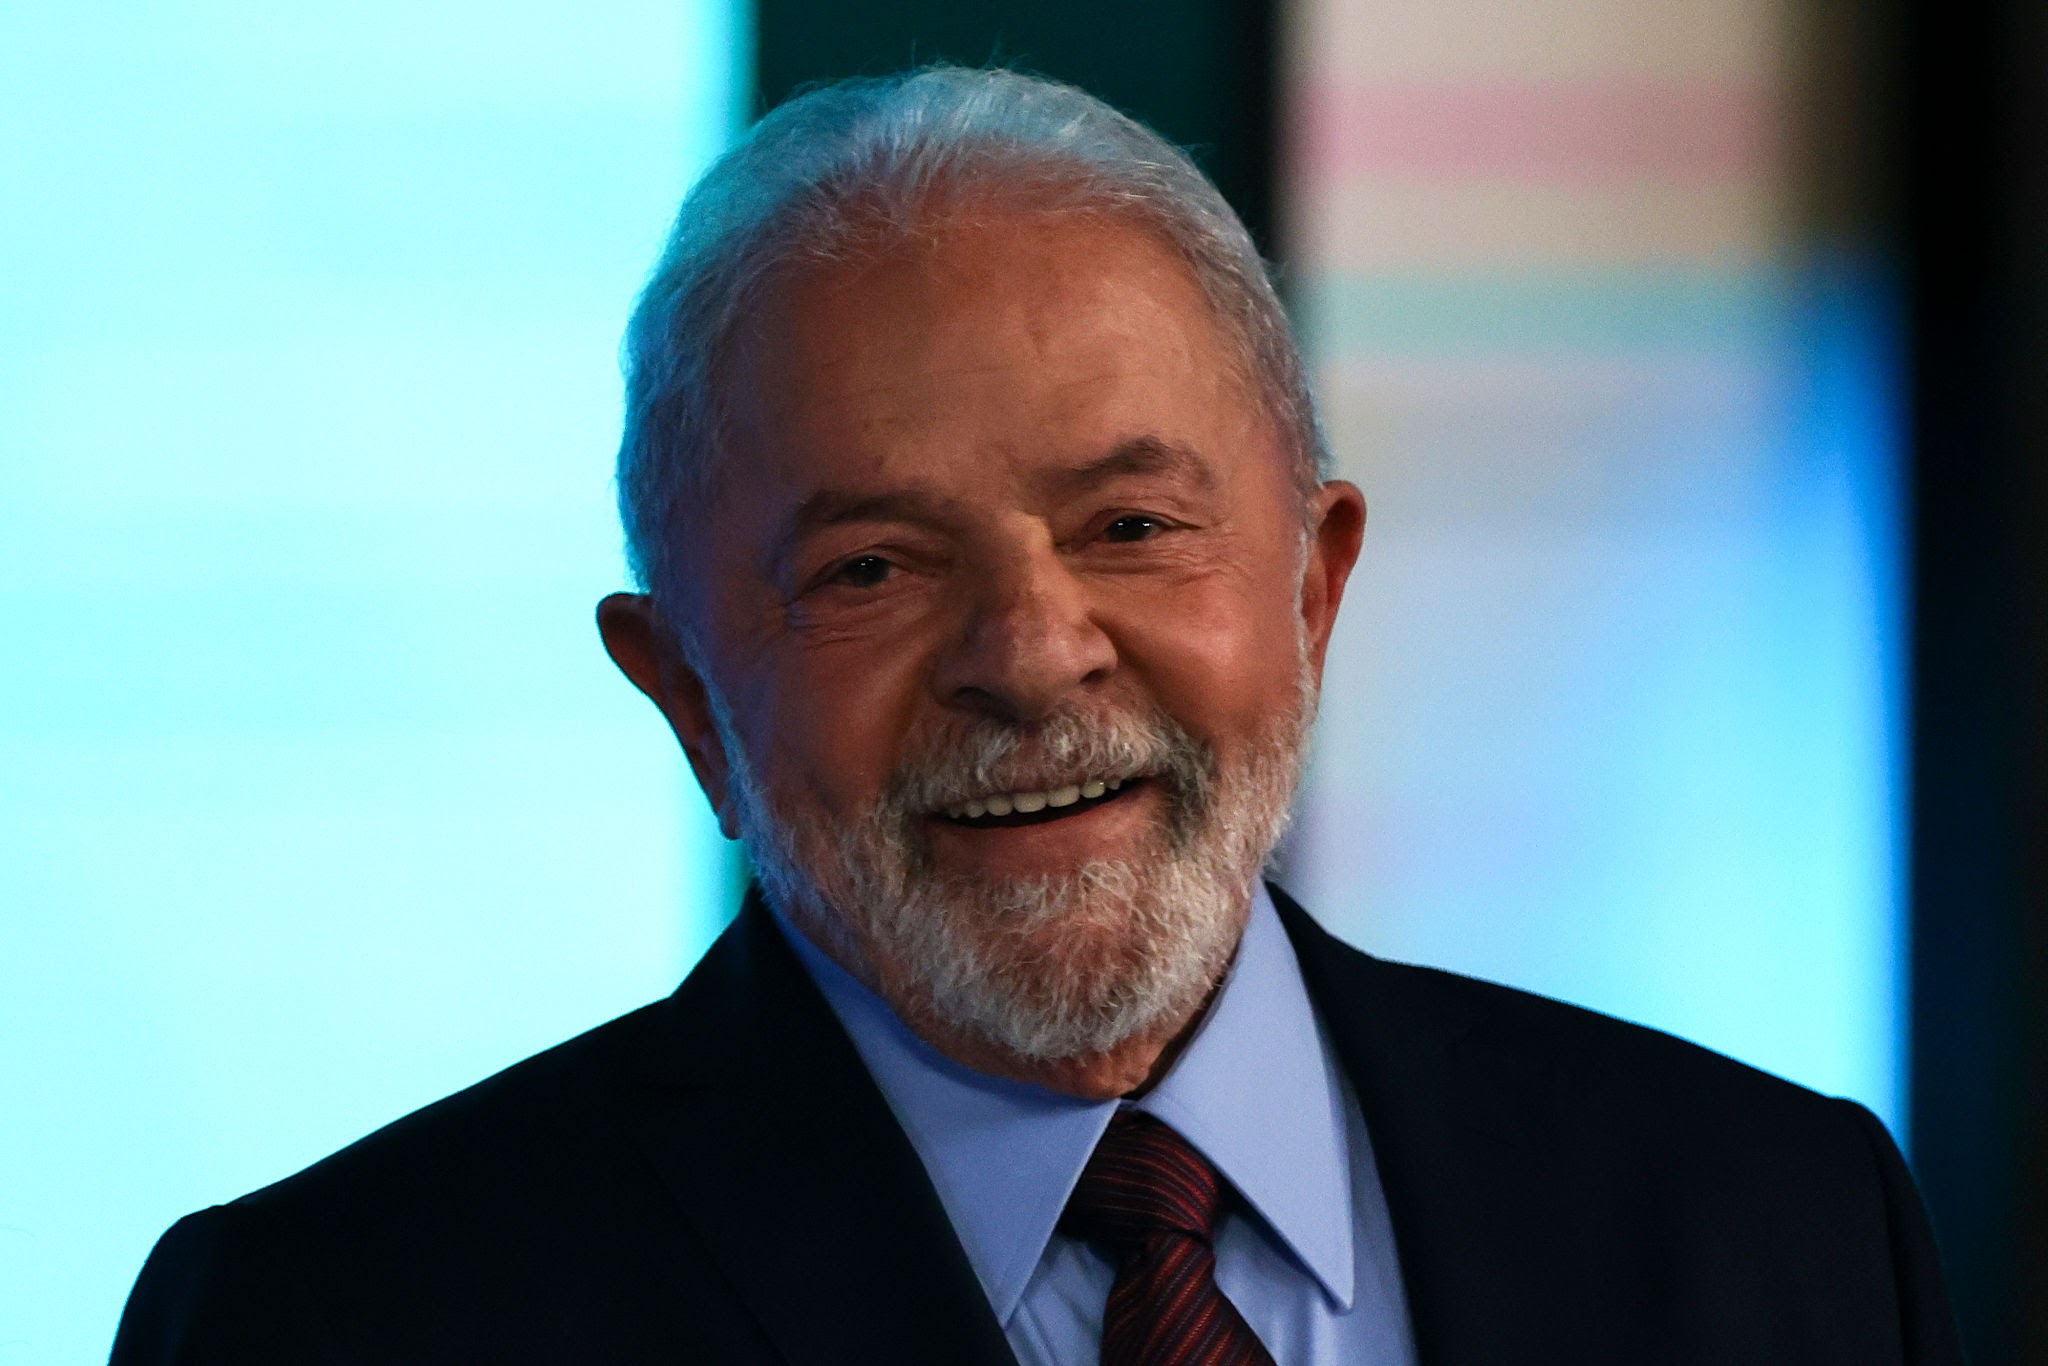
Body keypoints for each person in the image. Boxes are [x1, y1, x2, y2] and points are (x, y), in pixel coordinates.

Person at [112, 66, 1961, 1365]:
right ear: (685, 697)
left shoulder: (1782, 1225)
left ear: (1312, 589)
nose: (1031, 651)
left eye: (1132, 526)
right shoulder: (337, 1317)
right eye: (871, 568)